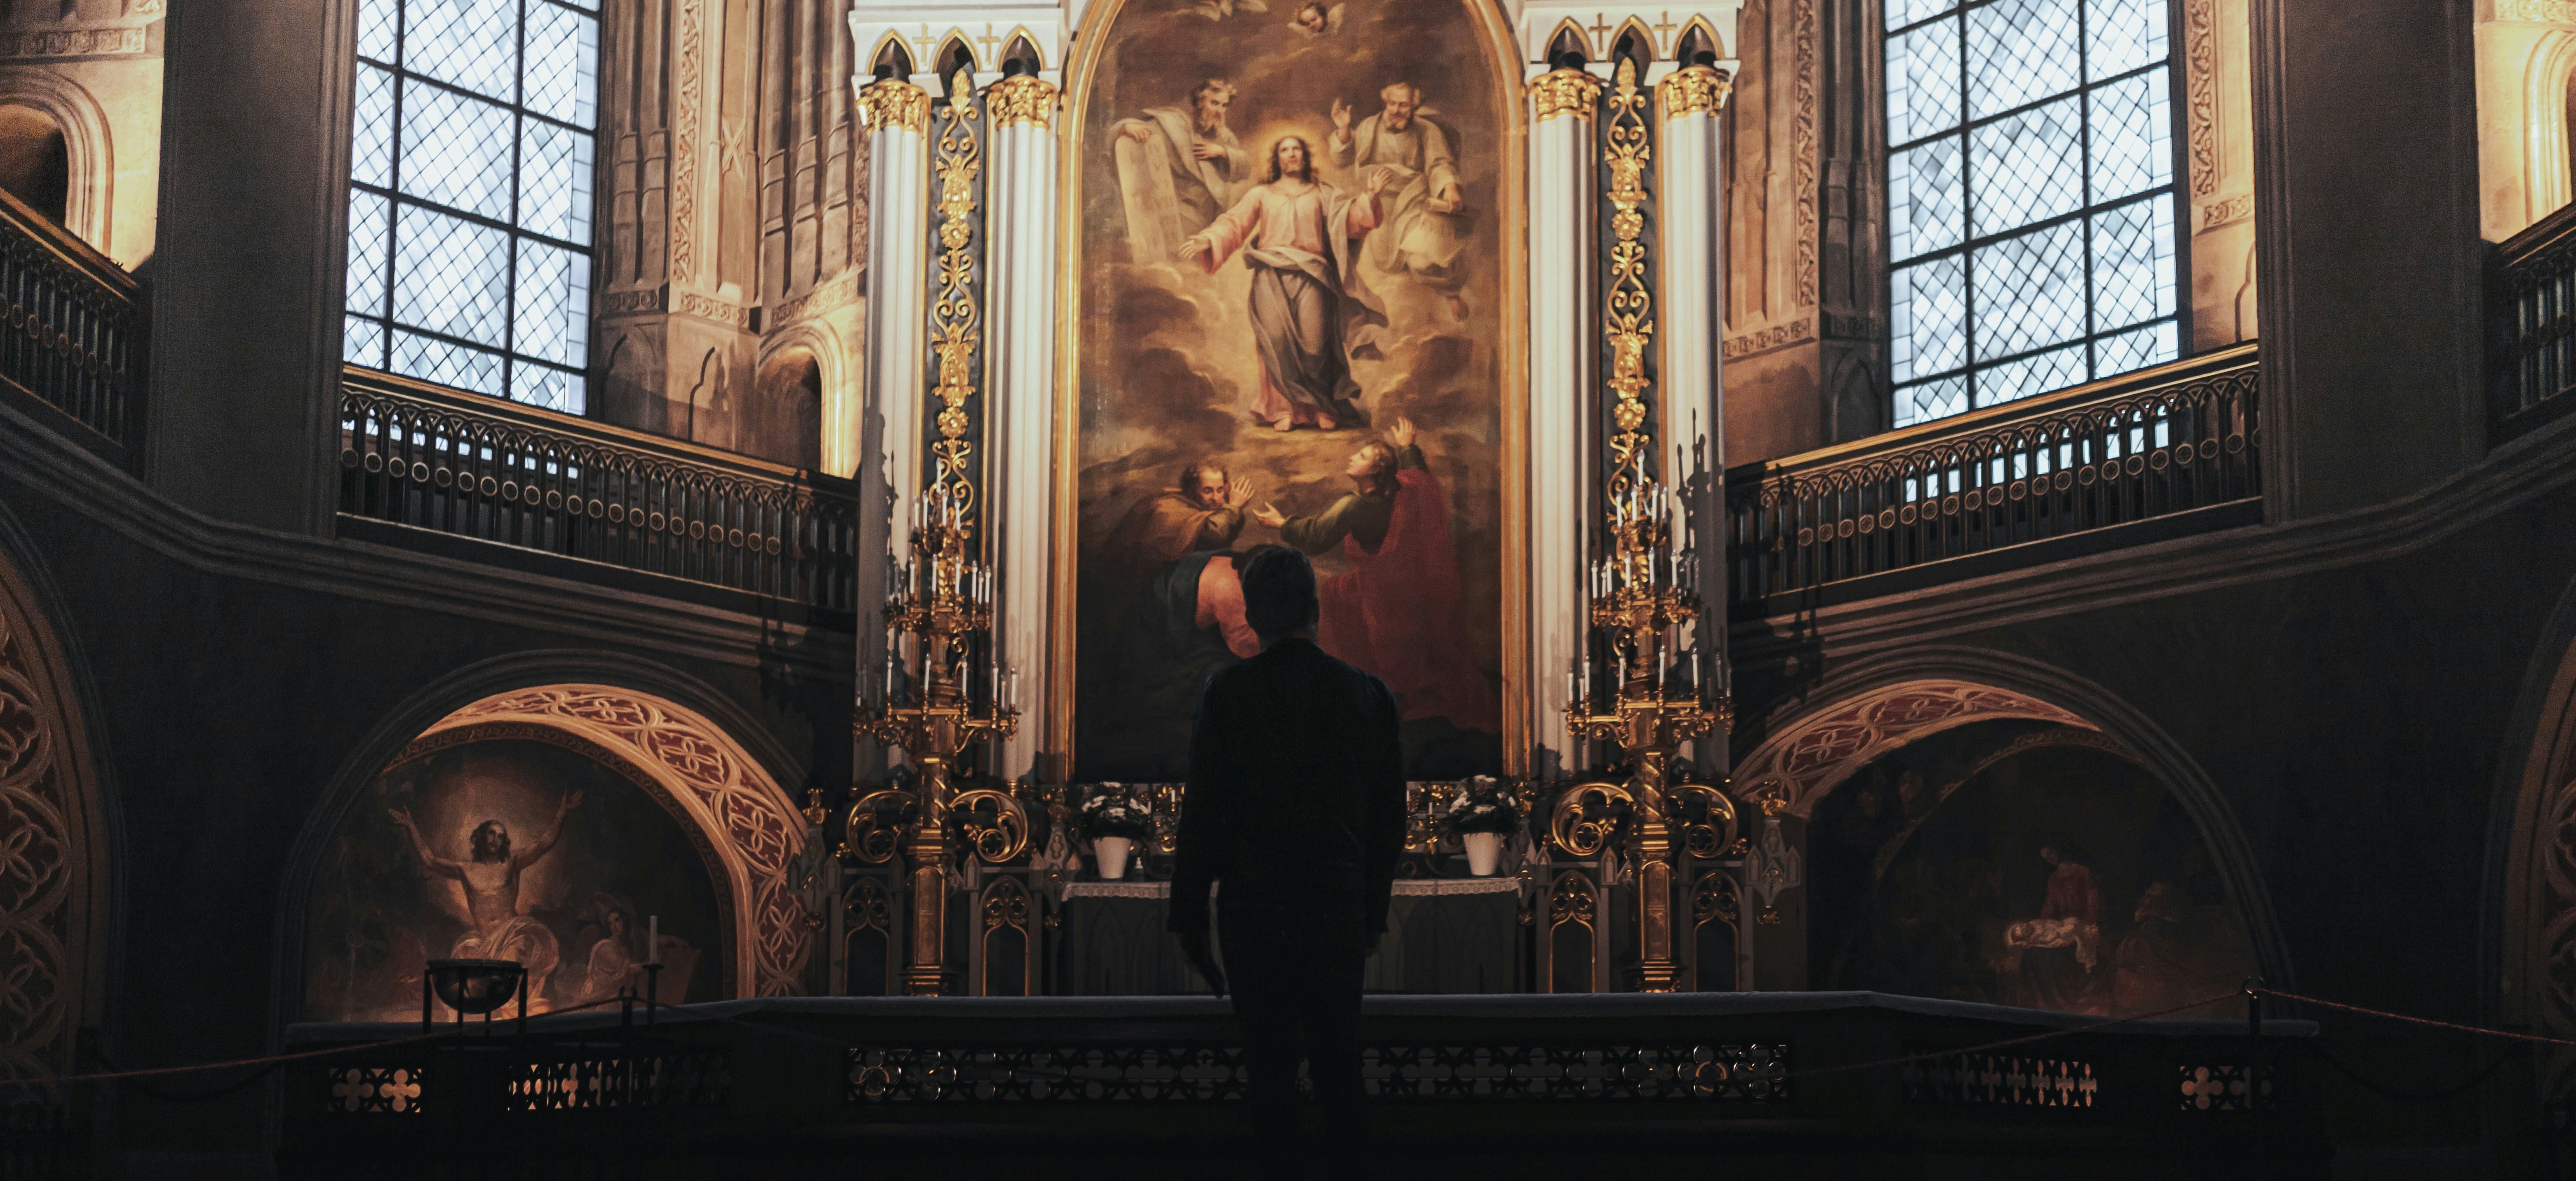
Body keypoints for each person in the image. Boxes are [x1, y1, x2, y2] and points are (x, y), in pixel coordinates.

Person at [1171, 547, 1405, 1172]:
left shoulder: (1230, 692)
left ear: (1254, 611)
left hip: (1256, 905)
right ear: (1313, 607)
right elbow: (1388, 821)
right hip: (1335, 903)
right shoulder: (1367, 694)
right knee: (1337, 1063)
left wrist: (1190, 917)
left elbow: (1203, 812)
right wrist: (1371, 911)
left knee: (1269, 1071)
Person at [1254, 418, 1500, 738]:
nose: (1353, 457)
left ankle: (1355, 682)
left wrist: (1280, 523)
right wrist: (1408, 447)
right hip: (1411, 587)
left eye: (1362, 455)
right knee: (1338, 590)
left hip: (1384, 596)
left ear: (1374, 471)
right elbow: (1422, 482)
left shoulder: (1355, 506)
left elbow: (1316, 536)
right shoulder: (1402, 490)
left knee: (1334, 596)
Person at [1181, 136, 1395, 431]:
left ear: (1305, 156)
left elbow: (1349, 220)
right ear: (1277, 159)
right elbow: (1234, 223)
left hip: (1313, 275)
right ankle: (1282, 410)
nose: (1292, 154)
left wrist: (1370, 196)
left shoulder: (1321, 194)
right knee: (1275, 341)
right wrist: (1208, 238)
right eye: (1285, 150)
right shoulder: (1261, 194)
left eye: (1297, 149)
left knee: (1316, 344)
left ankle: (1322, 406)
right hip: (1270, 275)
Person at [389, 790, 582, 1005]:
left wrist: (562, 812)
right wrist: (410, 826)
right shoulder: (465, 870)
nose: (496, 840)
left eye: (501, 837)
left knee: (511, 962)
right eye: (491, 834)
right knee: (465, 972)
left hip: (512, 933)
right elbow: (430, 860)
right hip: (484, 939)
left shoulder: (512, 863)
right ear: (481, 836)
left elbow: (545, 843)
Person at [1328, 83, 1471, 318]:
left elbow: (1440, 162)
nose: (1396, 110)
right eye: (1392, 104)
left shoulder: (1427, 131)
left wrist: (1449, 186)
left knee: (1422, 259)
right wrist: (1344, 130)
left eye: (1403, 105)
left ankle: (1452, 293)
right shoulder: (1368, 127)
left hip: (1414, 201)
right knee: (1381, 262)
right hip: (1378, 203)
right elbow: (1342, 158)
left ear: (1414, 106)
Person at [1113, 80, 1252, 261]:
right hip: (1175, 208)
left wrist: (1224, 153)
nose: (1220, 111)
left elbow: (1245, 169)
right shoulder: (1173, 124)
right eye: (1214, 103)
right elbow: (1134, 133)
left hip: (1210, 214)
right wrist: (1126, 127)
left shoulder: (1223, 135)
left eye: (1224, 106)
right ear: (1200, 102)